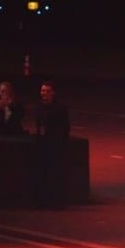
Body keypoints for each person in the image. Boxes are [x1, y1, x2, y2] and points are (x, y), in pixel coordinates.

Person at [35, 80, 70, 209]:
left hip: (55, 146)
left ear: (53, 93)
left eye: (47, 91)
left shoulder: (60, 108)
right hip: (43, 145)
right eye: (43, 91)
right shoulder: (39, 107)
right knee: (43, 174)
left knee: (54, 174)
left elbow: (65, 128)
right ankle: (44, 200)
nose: (44, 93)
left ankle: (56, 201)